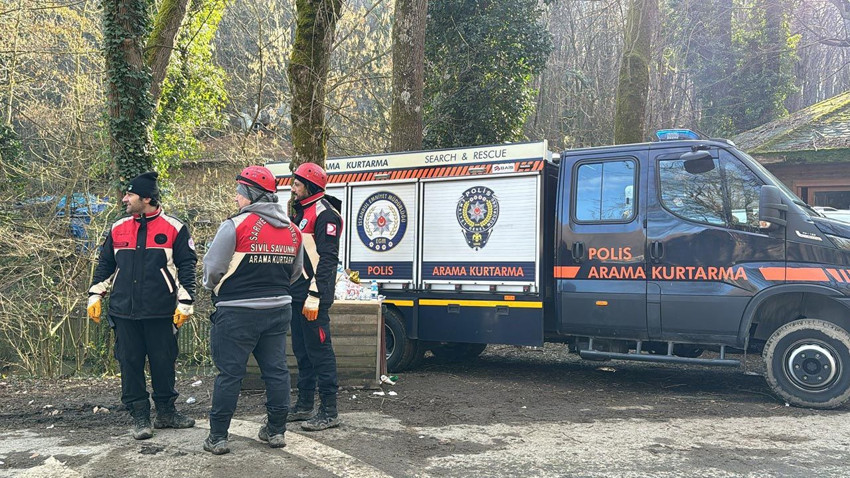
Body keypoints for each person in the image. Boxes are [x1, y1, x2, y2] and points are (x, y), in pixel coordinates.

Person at [201, 166, 304, 455]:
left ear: (249, 194)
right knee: (276, 371)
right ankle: (275, 431)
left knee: (230, 374)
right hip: (279, 309)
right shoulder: (293, 230)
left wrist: (214, 286)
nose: (235, 198)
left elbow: (212, 270)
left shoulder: (235, 226)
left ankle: (218, 437)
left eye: (238, 192)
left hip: (236, 312)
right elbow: (295, 273)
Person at [87, 171, 197, 440]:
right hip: (124, 312)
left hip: (161, 312)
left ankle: (166, 413)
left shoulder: (175, 228)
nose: (124, 199)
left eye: (130, 194)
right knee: (130, 363)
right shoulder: (117, 228)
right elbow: (105, 266)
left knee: (163, 362)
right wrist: (95, 294)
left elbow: (187, 267)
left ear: (146, 198)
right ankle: (139, 416)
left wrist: (185, 301)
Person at [288, 162, 343, 431]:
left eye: (297, 184)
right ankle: (304, 405)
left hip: (313, 297)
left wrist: (315, 294)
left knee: (320, 352)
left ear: (309, 185)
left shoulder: (325, 214)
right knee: (302, 352)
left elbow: (328, 259)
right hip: (297, 295)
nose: (292, 188)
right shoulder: (301, 213)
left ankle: (329, 411)